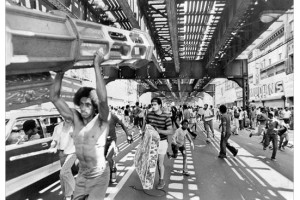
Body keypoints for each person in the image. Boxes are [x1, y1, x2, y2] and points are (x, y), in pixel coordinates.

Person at [50, 50, 110, 200]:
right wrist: (60, 72)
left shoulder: (101, 120)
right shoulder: (75, 118)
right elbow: (54, 97)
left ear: (94, 106)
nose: (83, 108)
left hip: (99, 175)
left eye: (88, 105)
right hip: (83, 174)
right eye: (81, 104)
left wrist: (97, 65)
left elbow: (103, 100)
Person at [142, 97, 173, 190]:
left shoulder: (166, 117)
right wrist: (143, 137)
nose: (153, 106)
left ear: (160, 105)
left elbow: (170, 131)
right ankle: (148, 180)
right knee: (151, 162)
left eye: (155, 104)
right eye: (152, 105)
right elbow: (145, 127)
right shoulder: (149, 115)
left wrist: (159, 131)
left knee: (160, 163)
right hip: (151, 142)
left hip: (162, 142)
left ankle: (161, 180)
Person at [49, 121, 77, 200]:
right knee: (65, 175)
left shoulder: (76, 126)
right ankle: (68, 195)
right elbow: (54, 140)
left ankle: (73, 194)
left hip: (73, 152)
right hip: (62, 153)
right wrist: (52, 147)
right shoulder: (58, 127)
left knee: (63, 173)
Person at [105, 112, 132, 183]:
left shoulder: (113, 116)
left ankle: (113, 170)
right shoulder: (97, 117)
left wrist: (128, 134)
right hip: (103, 141)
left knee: (108, 158)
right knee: (103, 158)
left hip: (112, 140)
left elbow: (122, 124)